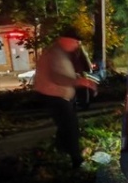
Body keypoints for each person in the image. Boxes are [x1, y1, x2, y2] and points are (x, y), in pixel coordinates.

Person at [34, 26, 97, 168]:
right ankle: (76, 160)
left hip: (58, 96)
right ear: (66, 40)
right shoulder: (55, 54)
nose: (77, 46)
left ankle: (59, 152)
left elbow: (63, 73)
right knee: (71, 127)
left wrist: (77, 78)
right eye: (76, 43)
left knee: (64, 127)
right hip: (54, 96)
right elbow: (57, 77)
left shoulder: (59, 52)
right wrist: (80, 81)